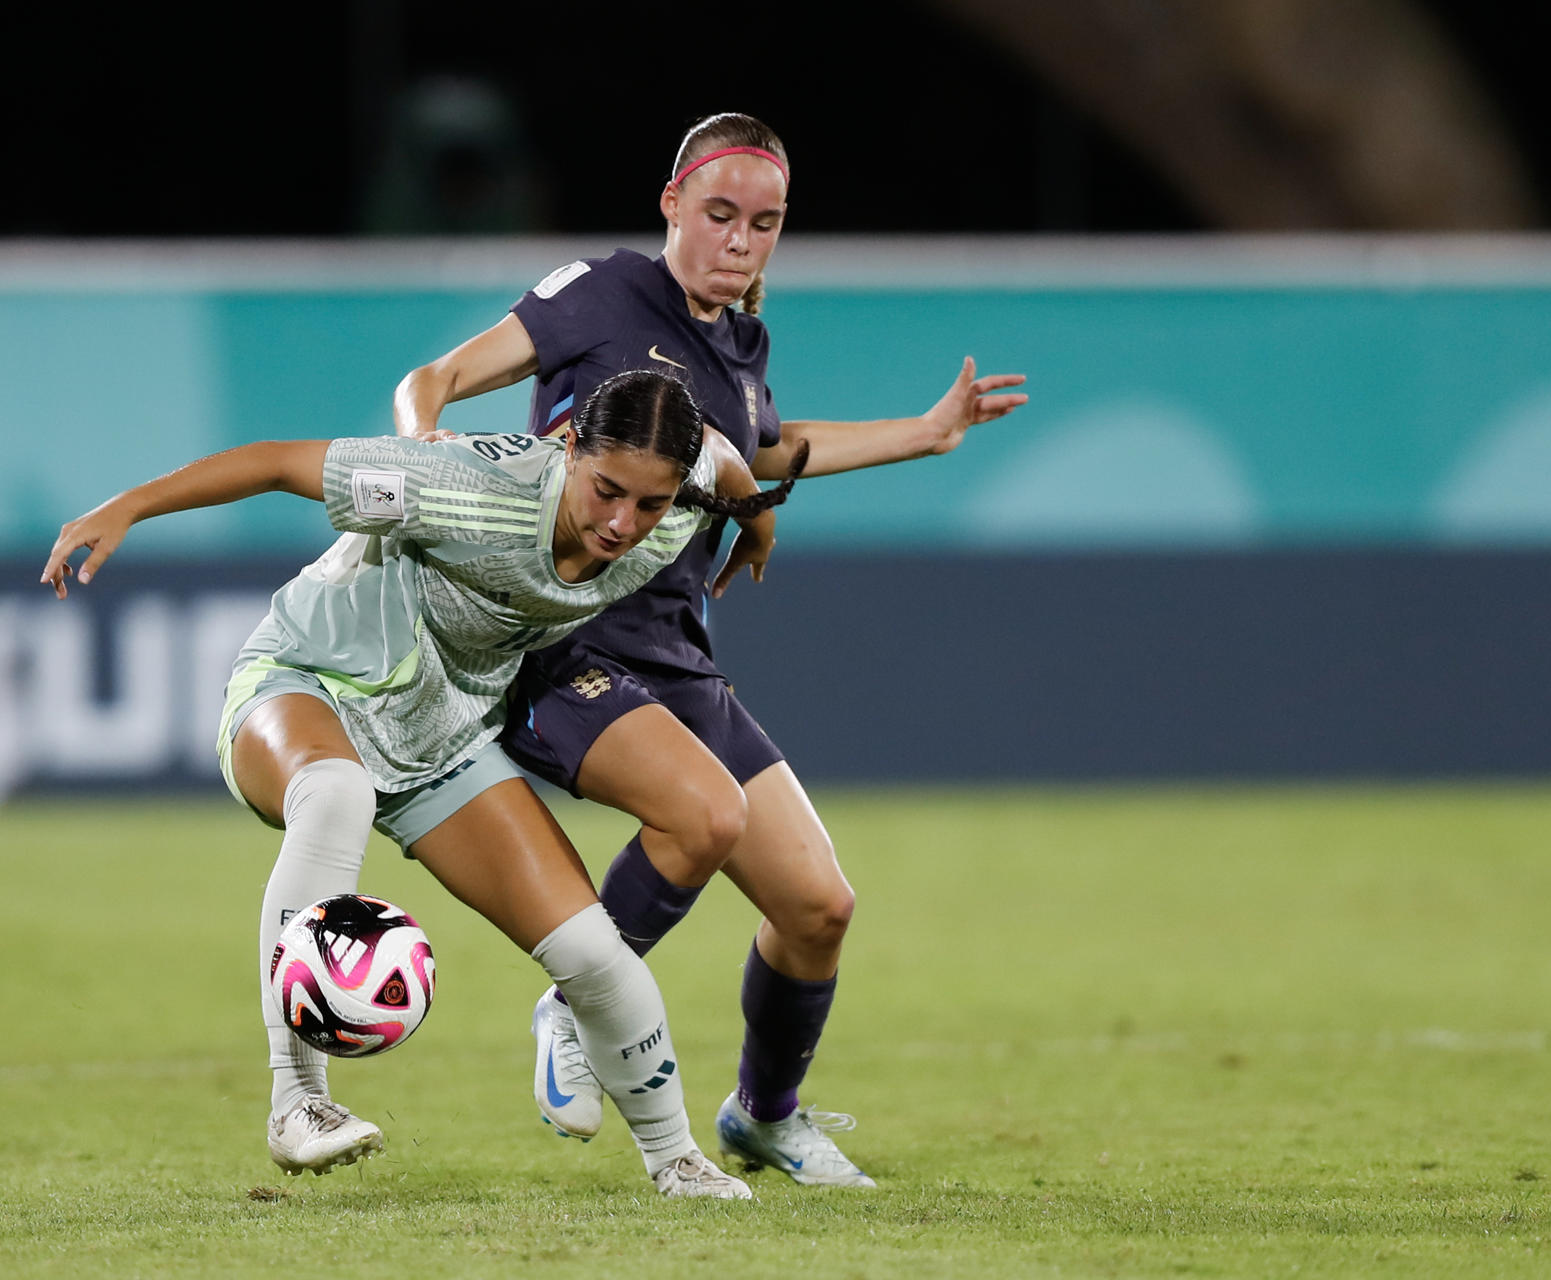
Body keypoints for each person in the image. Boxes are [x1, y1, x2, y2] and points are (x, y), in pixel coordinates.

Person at [393, 112, 1028, 1188]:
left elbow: (759, 449)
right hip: (562, 636)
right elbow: (436, 377)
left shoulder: (741, 343)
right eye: (721, 214)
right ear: (671, 203)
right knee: (701, 814)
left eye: (765, 223)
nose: (740, 241)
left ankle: (765, 1114)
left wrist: (924, 433)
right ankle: (578, 996)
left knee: (818, 908)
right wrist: (424, 449)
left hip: (674, 648)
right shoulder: (601, 292)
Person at [44, 371, 804, 1198]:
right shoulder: (464, 487)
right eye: (606, 490)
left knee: (590, 949)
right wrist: (125, 506)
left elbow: (725, 458)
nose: (623, 523)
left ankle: (677, 1159)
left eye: (650, 505)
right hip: (307, 680)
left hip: (440, 740)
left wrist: (755, 520)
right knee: (336, 794)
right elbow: (276, 463)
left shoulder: (676, 498)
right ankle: (298, 1104)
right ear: (569, 446)